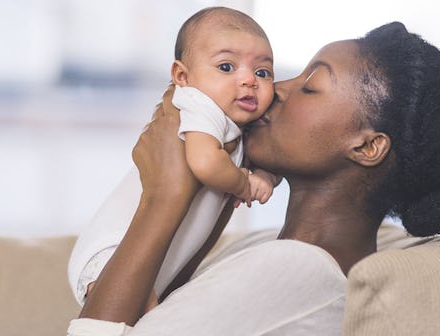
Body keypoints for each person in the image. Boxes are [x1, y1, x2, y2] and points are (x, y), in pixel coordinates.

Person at [67, 21, 440, 335]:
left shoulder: (297, 269)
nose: (276, 88)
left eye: (311, 85)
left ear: (366, 147)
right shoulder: (277, 250)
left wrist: (164, 197)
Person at [67, 6, 280, 309]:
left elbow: (271, 161)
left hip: (154, 260)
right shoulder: (198, 104)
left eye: (262, 72)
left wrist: (267, 177)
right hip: (112, 252)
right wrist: (245, 185)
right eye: (226, 67)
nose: (249, 80)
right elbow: (206, 163)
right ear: (182, 76)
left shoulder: (236, 125)